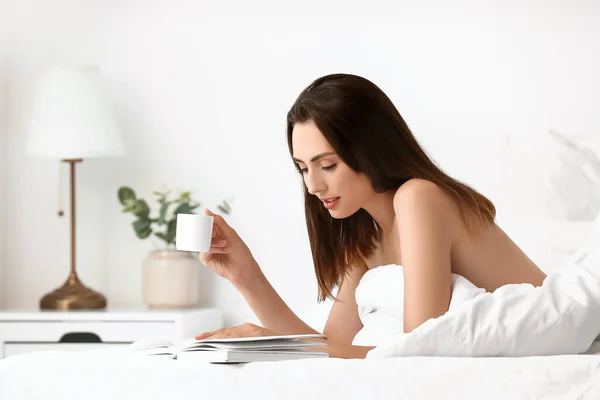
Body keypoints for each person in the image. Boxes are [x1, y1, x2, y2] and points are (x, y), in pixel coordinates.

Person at [194, 73, 547, 359]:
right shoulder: (367, 237)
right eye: (302, 169)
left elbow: (419, 350)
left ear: (370, 150)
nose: (314, 185)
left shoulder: (418, 197)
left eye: (327, 165)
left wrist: (266, 340)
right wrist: (245, 275)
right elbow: (332, 346)